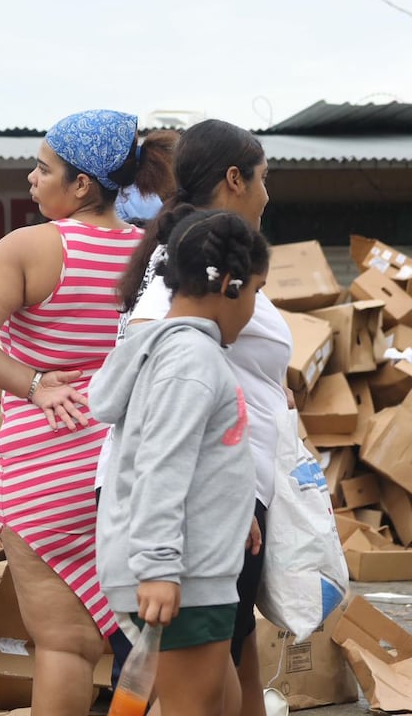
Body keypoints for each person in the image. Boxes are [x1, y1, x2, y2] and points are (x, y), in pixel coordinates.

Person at [0, 110, 176, 714]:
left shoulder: (32, 247)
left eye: (43, 169)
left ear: (82, 185)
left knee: (65, 647)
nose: (30, 178)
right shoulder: (152, 255)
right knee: (149, 643)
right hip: (129, 470)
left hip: (46, 470)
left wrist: (35, 383)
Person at [111, 118, 289, 716]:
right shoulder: (187, 348)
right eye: (265, 178)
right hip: (183, 533)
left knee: (225, 685)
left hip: (212, 513)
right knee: (196, 700)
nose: (269, 193)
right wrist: (160, 563)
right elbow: (160, 445)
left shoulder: (197, 323)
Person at [90, 207, 271, 716]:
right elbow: (161, 466)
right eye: (256, 290)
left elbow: (204, 458)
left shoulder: (182, 353)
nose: (254, 305)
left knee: (222, 701)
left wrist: (236, 514)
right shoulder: (190, 361)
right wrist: (160, 569)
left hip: (194, 567)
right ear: (231, 285)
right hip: (180, 574)